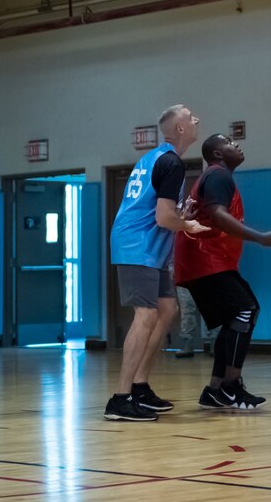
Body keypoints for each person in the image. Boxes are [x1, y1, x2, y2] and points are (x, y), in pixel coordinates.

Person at [104, 104, 207, 422]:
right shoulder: (171, 162)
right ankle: (120, 399)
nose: (196, 120)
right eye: (191, 117)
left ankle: (140, 387)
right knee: (146, 314)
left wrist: (181, 216)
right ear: (180, 129)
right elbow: (163, 218)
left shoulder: (156, 158)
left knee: (167, 310)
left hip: (149, 247)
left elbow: (161, 211)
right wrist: (188, 225)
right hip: (138, 247)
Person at [175, 134, 271, 410]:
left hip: (206, 260)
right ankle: (230, 386)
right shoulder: (218, 175)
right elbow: (217, 215)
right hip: (205, 258)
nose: (236, 144)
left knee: (239, 315)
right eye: (228, 142)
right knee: (245, 310)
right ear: (217, 154)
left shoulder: (219, 176)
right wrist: (259, 237)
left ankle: (215, 390)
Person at [174, 285, 217, 358]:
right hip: (184, 276)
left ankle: (215, 342)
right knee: (186, 307)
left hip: (208, 275)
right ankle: (187, 342)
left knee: (211, 305)